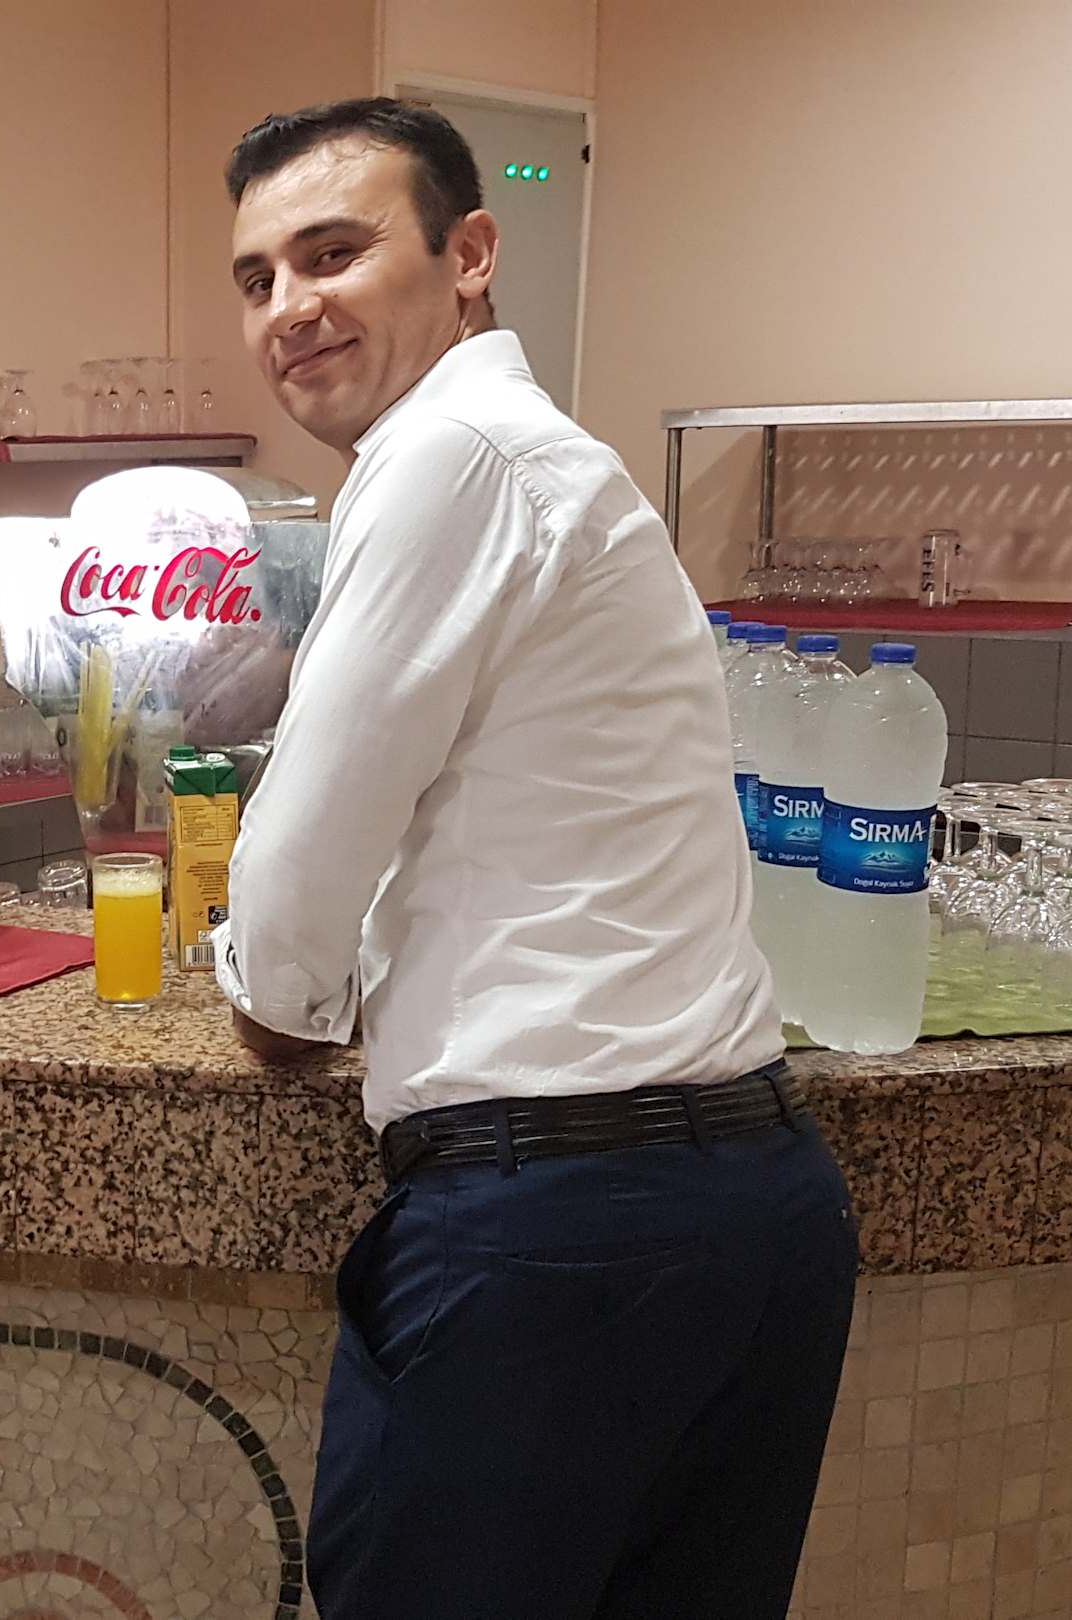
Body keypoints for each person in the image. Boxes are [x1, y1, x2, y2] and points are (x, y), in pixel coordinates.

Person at [212, 98, 858, 1617]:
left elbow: (295, 877)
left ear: (471, 254)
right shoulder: (542, 457)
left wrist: (275, 1007)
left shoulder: (452, 454)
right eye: (257, 277)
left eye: (333, 253)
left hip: (557, 1239)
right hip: (751, 1207)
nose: (290, 307)